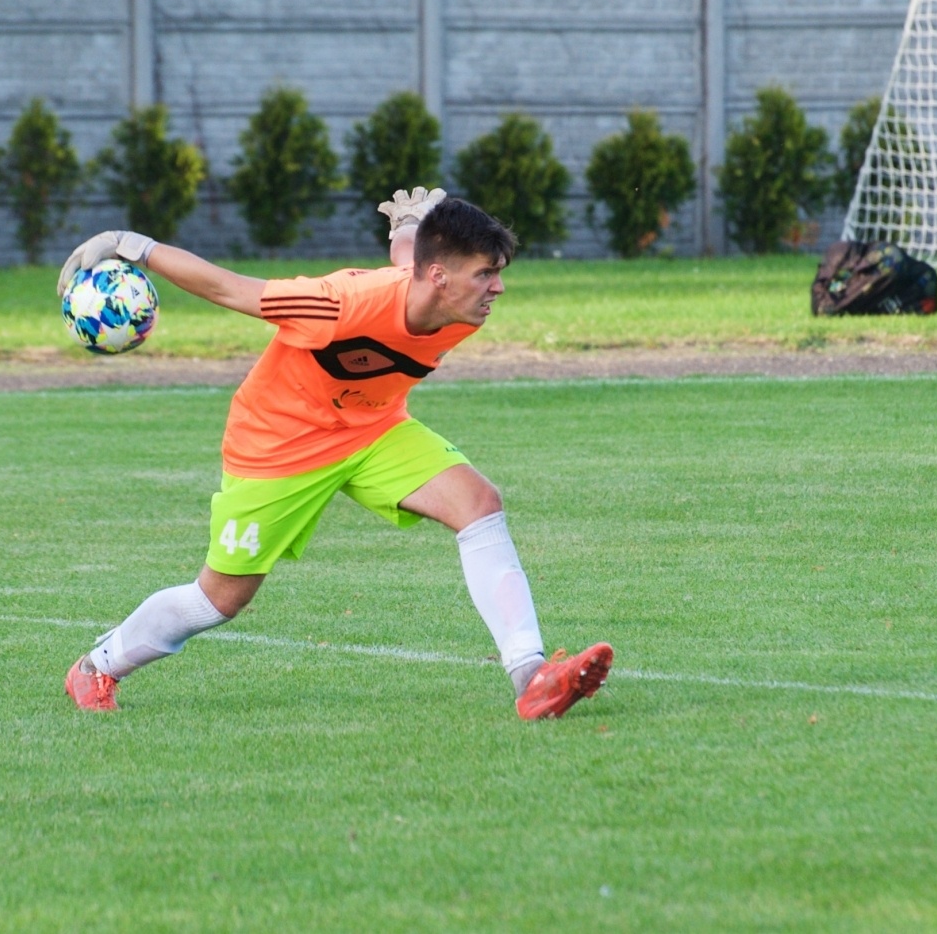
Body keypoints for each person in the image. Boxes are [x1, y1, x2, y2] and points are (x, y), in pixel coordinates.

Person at [56, 196, 614, 720]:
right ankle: (97, 667)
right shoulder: (337, 302)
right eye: (485, 274)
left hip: (372, 428)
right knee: (219, 599)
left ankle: (531, 676)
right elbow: (230, 288)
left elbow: (411, 268)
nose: (498, 288)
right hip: (279, 442)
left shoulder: (448, 298)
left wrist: (407, 229)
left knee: (479, 503)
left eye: (498, 273)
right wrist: (132, 244)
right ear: (441, 276)